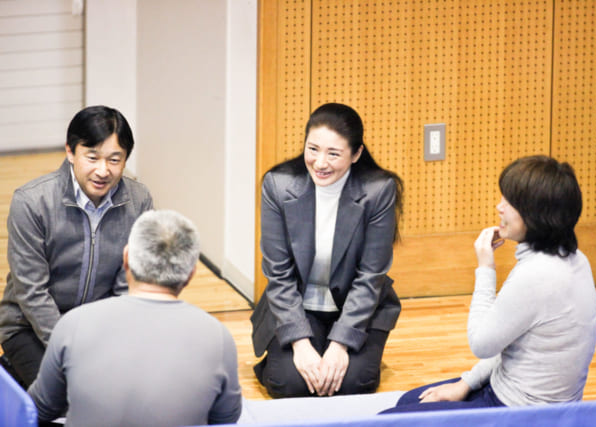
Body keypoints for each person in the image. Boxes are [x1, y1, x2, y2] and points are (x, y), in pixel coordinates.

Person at [381, 155, 596, 414]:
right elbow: (512, 340)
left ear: (536, 216)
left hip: (519, 412)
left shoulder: (537, 276)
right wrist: (466, 383)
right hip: (525, 398)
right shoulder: (576, 259)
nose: (499, 207)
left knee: (390, 419)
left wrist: (485, 267)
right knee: (409, 400)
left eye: (509, 202)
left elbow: (481, 344)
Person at [28, 210, 242, 426]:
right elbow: (225, 419)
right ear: (191, 274)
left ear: (126, 258)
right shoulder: (217, 336)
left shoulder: (74, 324)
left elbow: (38, 409)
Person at [251, 102, 404, 398]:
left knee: (352, 385)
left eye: (333, 154)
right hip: (296, 303)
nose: (320, 163)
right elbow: (278, 274)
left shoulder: (378, 190)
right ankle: (285, 353)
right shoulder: (279, 185)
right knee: (291, 385)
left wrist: (340, 345)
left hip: (355, 306)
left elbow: (370, 276)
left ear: (356, 154)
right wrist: (300, 344)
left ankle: (351, 348)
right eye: (313, 149)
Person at [0, 105, 153, 388]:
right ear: (71, 151)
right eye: (92, 157)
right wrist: (74, 350)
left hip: (97, 327)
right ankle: (13, 370)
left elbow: (126, 285)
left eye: (114, 160)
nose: (103, 170)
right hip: (29, 328)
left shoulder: (139, 201)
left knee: (135, 387)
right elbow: (31, 292)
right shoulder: (32, 202)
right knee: (71, 396)